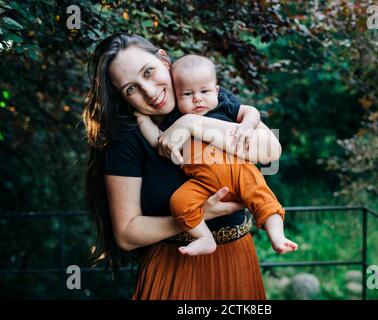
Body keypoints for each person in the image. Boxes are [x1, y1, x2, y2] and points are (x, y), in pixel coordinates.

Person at [82, 33, 283, 299]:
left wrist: (190, 123)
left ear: (164, 60)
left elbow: (270, 150)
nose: (150, 92)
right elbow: (127, 234)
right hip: (174, 265)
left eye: (149, 71)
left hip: (237, 259)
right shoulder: (127, 138)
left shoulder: (209, 97)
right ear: (123, 96)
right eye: (131, 88)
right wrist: (203, 213)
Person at [135, 54, 298, 256]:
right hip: (202, 183)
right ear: (176, 97)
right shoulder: (175, 118)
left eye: (204, 91)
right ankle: (205, 238)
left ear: (216, 90)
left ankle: (277, 236)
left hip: (239, 171)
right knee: (179, 203)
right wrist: (142, 121)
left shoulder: (223, 104)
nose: (197, 98)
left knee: (262, 198)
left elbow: (251, 112)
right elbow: (159, 142)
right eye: (187, 94)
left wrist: (247, 125)